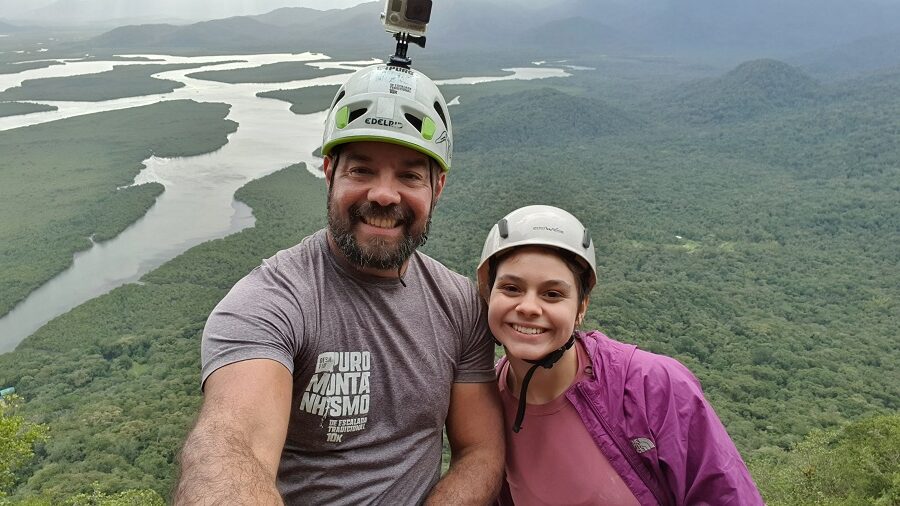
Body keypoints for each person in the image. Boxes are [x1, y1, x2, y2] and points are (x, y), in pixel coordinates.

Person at [174, 64, 504, 505]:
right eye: (361, 171)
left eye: (409, 176)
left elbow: (481, 450)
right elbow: (232, 444)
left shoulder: (460, 305)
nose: (384, 195)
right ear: (329, 173)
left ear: (437, 187)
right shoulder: (272, 303)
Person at [476, 205, 764, 505]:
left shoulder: (654, 387)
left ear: (581, 308)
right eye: (511, 288)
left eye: (552, 294)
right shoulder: (486, 400)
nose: (529, 307)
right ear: (488, 294)